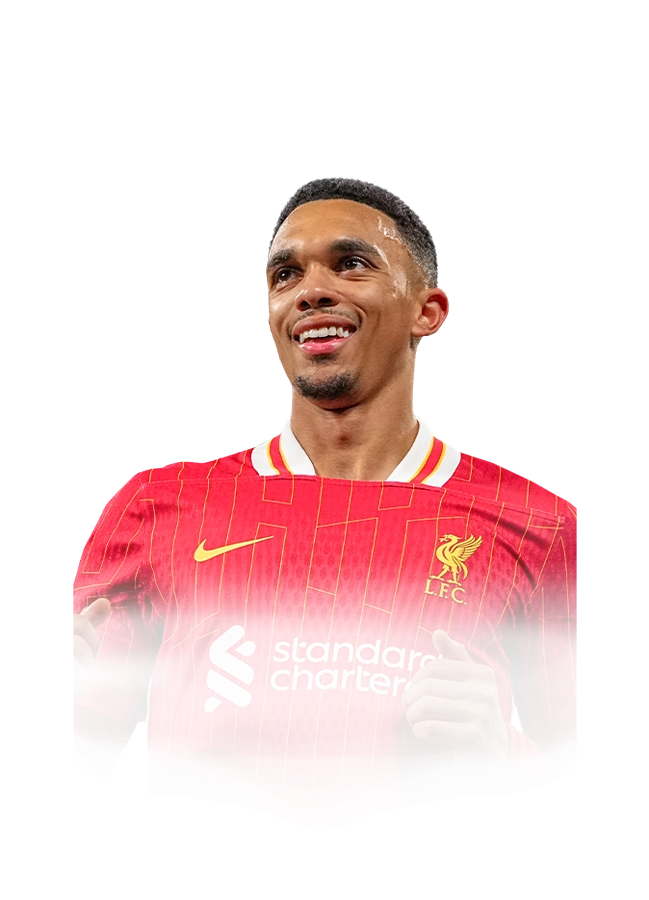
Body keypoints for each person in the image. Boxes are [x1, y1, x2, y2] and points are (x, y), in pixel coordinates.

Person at [72, 176, 577, 832]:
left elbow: (603, 811)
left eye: (351, 263)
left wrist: (503, 756)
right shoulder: (156, 507)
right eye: (286, 274)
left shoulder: (539, 524)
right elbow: (73, 763)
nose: (310, 290)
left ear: (427, 311)